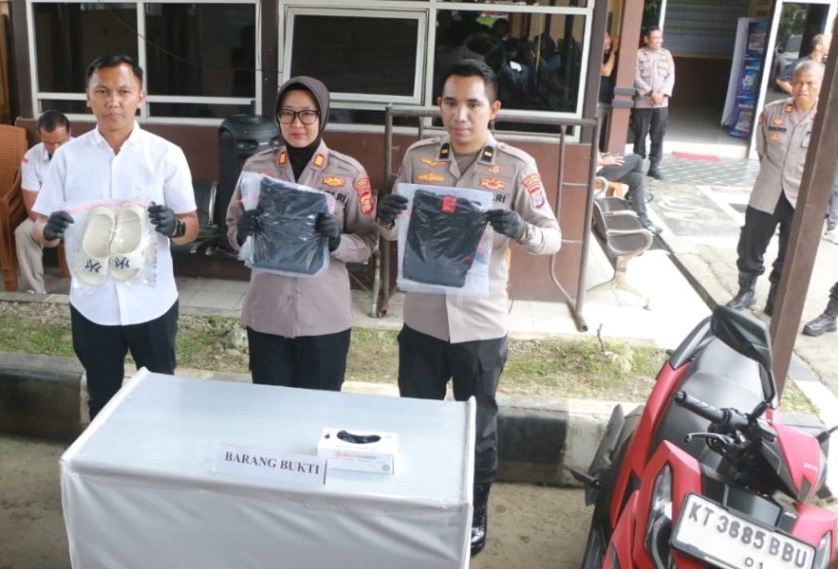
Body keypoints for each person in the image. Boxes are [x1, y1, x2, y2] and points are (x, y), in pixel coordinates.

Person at [375, 60, 562, 557]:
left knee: (477, 426)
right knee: (417, 417)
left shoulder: (517, 166)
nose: (460, 115)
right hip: (423, 320)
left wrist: (521, 230)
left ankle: (475, 507)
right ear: (439, 105)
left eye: (473, 104)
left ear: (493, 109)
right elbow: (393, 233)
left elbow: (552, 236)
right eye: (451, 103)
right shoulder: (418, 157)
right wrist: (386, 218)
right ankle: (418, 502)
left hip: (480, 323)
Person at [31, 54, 199, 419]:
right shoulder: (67, 158)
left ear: (141, 97)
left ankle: (156, 456)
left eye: (123, 91)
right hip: (93, 305)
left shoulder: (166, 155)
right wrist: (48, 232)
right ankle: (104, 457)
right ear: (87, 97)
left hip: (152, 303)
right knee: (102, 399)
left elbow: (191, 226)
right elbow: (40, 227)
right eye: (102, 91)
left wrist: (175, 226)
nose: (113, 102)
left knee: (160, 399)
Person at [224, 77, 376, 391]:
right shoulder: (256, 167)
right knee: (270, 408)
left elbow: (367, 242)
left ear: (323, 116)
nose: (296, 123)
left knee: (319, 410)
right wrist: (241, 234)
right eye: (287, 113)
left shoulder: (349, 172)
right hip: (268, 313)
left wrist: (337, 241)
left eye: (307, 113)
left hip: (324, 318)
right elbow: (232, 228)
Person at [725, 60, 825, 315]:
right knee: (750, 243)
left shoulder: (827, 119)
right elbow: (762, 150)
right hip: (767, 191)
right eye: (798, 82)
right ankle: (746, 292)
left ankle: (775, 300)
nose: (802, 88)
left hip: (800, 197)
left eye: (810, 83)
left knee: (790, 251)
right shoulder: (773, 111)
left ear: (821, 85)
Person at [14, 109, 72, 294]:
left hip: (79, 212)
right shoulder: (31, 157)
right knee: (24, 232)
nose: (55, 148)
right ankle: (34, 293)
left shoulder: (84, 153)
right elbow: (32, 206)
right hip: (46, 215)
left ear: (69, 134)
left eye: (60, 142)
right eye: (48, 142)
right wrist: (49, 226)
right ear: (39, 136)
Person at [631, 26, 674, 180]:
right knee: (640, 134)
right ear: (646, 39)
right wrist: (651, 93)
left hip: (661, 103)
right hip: (643, 102)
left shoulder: (666, 54)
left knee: (658, 135)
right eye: (655, 38)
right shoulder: (638, 54)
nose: (659, 41)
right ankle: (637, 165)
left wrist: (661, 94)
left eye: (660, 38)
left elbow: (671, 76)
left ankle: (654, 166)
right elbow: (635, 76)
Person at [597, 153, 660, 234]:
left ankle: (643, 220)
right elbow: (585, 160)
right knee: (637, 158)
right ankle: (632, 197)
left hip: (601, 167)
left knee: (637, 179)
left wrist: (603, 156)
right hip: (596, 173)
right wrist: (603, 161)